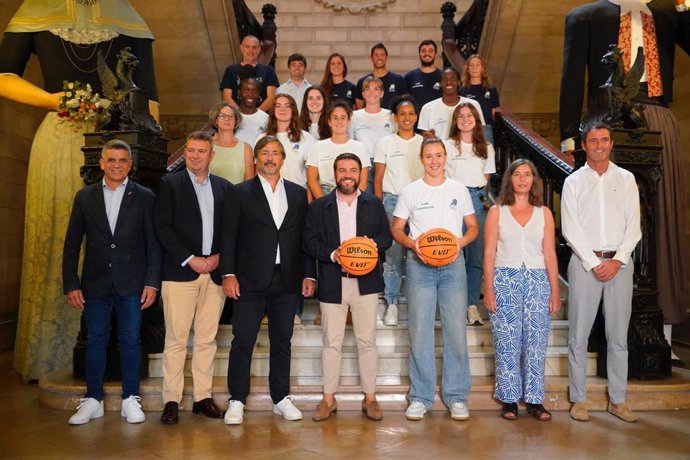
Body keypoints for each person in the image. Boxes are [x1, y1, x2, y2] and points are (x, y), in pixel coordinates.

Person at [0, 0, 159, 382]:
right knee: (60, 237)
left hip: (116, 138)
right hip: (58, 137)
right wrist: (56, 101)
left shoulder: (130, 19)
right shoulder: (34, 11)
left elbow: (149, 100)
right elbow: (4, 75)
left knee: (116, 239)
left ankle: (113, 349)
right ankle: (49, 353)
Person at [560, 0, 689, 341]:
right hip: (606, 119)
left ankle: (663, 327)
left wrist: (685, 5)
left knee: (661, 220)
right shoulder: (585, 16)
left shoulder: (666, 15)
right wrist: (569, 139)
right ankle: (602, 327)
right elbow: (572, 78)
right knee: (603, 217)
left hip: (657, 116)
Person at [62, 139, 160, 425]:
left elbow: (153, 244)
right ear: (102, 163)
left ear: (130, 165)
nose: (116, 165)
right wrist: (71, 283)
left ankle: (131, 398)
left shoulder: (144, 196)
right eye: (111, 160)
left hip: (132, 283)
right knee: (96, 340)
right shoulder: (85, 197)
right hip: (95, 283)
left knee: (131, 340)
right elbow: (72, 244)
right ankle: (93, 399)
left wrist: (152, 283)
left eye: (122, 160)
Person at [221, 136, 316, 425]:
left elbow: (304, 238)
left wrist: (309, 273)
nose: (270, 158)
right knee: (243, 340)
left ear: (283, 159)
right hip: (249, 279)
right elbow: (228, 236)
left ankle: (280, 398)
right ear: (256, 159)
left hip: (286, 279)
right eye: (265, 153)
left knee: (282, 341)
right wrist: (228, 274)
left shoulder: (298, 194)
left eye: (275, 153)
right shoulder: (239, 192)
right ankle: (237, 399)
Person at [391, 136, 478, 421]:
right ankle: (420, 396)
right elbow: (397, 229)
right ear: (421, 160)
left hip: (453, 266)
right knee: (420, 331)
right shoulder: (410, 191)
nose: (434, 161)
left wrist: (459, 243)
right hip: (420, 265)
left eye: (438, 155)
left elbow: (473, 227)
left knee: (455, 331)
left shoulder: (459, 190)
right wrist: (414, 244)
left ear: (445, 157)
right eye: (428, 156)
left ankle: (456, 396)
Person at [562, 123, 642, 423]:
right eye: (593, 141)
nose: (599, 145)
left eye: (604, 140)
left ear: (611, 144)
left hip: (619, 265)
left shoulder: (626, 179)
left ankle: (618, 400)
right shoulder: (574, 182)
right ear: (584, 145)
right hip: (585, 264)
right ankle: (579, 399)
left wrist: (617, 260)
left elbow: (634, 225)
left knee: (618, 336)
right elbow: (570, 228)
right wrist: (594, 263)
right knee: (578, 335)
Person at [304, 153, 392, 422]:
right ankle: (328, 400)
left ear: (360, 174)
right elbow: (309, 242)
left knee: (367, 341)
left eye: (352, 170)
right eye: (342, 170)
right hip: (333, 280)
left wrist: (370, 246)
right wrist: (333, 254)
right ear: (334, 174)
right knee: (332, 342)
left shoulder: (374, 204)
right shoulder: (320, 206)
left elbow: (386, 238)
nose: (347, 175)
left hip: (366, 283)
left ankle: (371, 398)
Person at [154, 131, 233, 425]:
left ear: (212, 155)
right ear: (185, 153)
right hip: (179, 273)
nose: (196, 155)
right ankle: (171, 400)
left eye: (202, 151)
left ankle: (202, 398)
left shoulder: (225, 188)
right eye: (191, 151)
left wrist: (219, 257)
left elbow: (230, 230)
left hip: (213, 274)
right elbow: (162, 227)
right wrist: (190, 259)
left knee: (206, 340)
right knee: (175, 340)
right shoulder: (169, 184)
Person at [483, 159, 560, 422]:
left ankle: (535, 400)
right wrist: (489, 290)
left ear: (534, 180)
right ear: (510, 179)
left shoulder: (544, 213)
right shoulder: (497, 212)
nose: (523, 179)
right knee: (507, 342)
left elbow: (549, 252)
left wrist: (555, 290)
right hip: (505, 279)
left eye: (528, 174)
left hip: (538, 280)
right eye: (518, 174)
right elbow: (489, 252)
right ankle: (509, 399)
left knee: (536, 342)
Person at [373, 95, 424, 327]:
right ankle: (392, 302)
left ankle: (416, 303)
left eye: (411, 113)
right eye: (402, 114)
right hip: (392, 202)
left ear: (416, 116)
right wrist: (379, 204)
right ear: (395, 118)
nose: (407, 118)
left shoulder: (424, 143)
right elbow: (379, 178)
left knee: (417, 253)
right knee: (392, 255)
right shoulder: (385, 143)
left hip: (419, 202)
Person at [445, 103, 496, 326]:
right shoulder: (447, 146)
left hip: (477, 200)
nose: (465, 119)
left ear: (476, 119)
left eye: (470, 115)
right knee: (454, 254)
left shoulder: (486, 147)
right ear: (455, 121)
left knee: (475, 257)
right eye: (461, 116)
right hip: (452, 200)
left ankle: (472, 305)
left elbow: (486, 178)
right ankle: (453, 304)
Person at [306, 100, 370, 199]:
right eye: (335, 118)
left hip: (352, 193)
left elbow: (363, 182)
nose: (339, 122)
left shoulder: (360, 147)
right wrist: (324, 203)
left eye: (343, 118)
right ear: (329, 122)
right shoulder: (318, 146)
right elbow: (312, 180)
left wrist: (352, 202)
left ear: (348, 121)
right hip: (325, 193)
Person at [259, 93, 315, 191]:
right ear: (273, 111)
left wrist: (308, 202)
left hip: (298, 193)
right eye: (278, 106)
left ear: (293, 110)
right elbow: (258, 170)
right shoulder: (262, 138)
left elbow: (311, 177)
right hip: (268, 192)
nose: (282, 109)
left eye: (287, 106)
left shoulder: (306, 138)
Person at [350, 76, 395, 192]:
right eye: (367, 89)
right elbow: (350, 142)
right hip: (363, 164)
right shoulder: (354, 116)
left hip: (387, 163)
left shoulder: (391, 116)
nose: (371, 92)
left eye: (376, 89)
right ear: (363, 94)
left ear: (382, 93)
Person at [417, 67, 485, 140]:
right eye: (445, 80)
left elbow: (481, 133)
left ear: (459, 82)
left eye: (452, 79)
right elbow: (425, 139)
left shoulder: (473, 105)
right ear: (440, 83)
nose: (449, 82)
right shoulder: (427, 108)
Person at [220, 35, 279, 112]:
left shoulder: (268, 71)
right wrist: (240, 114)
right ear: (241, 48)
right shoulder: (231, 70)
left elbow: (271, 98)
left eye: (254, 47)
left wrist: (255, 115)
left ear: (259, 49)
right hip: (237, 118)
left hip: (261, 118)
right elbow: (227, 97)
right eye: (247, 47)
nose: (251, 50)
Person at [208, 102, 255, 184]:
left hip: (237, 195)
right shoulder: (207, 145)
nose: (227, 119)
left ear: (236, 121)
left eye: (231, 116)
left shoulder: (246, 148)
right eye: (222, 116)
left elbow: (249, 183)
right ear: (216, 119)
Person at [458, 54, 500, 144]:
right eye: (471, 65)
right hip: (468, 129)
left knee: (487, 155)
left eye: (477, 65)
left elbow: (493, 111)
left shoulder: (491, 89)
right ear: (468, 69)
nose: (474, 68)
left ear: (482, 68)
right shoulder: (462, 90)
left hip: (485, 128)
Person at [354, 43, 407, 110]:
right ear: (371, 58)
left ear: (386, 57)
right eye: (376, 55)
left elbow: (404, 104)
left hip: (392, 120)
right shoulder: (362, 82)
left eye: (382, 55)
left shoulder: (398, 80)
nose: (379, 58)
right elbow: (360, 108)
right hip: (370, 120)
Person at [404, 40, 442, 109]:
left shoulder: (443, 76)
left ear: (435, 54)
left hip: (437, 118)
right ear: (419, 53)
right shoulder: (409, 77)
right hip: (417, 119)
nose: (427, 53)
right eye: (423, 51)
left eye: (430, 51)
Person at [234, 77, 269, 149]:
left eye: (254, 91)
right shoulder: (231, 116)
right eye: (246, 91)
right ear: (239, 93)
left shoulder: (266, 118)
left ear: (259, 94)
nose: (250, 94)